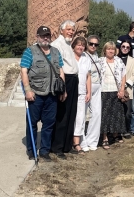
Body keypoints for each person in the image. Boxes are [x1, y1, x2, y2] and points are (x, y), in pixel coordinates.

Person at [20, 25, 65, 162]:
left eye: (48, 36)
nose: (46, 38)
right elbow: (24, 71)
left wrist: (63, 90)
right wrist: (28, 91)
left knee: (49, 124)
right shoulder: (30, 52)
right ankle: (32, 150)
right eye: (43, 35)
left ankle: (44, 150)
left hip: (52, 94)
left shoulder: (56, 52)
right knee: (32, 123)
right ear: (37, 37)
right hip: (36, 93)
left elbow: (61, 71)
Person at [51, 20, 79, 158]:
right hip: (65, 80)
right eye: (68, 29)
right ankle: (57, 147)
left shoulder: (68, 44)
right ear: (61, 30)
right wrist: (62, 88)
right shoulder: (57, 44)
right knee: (62, 114)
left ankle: (67, 145)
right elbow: (57, 68)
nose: (71, 32)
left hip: (73, 79)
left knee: (71, 113)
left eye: (72, 30)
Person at [98, 42, 127, 148]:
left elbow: (124, 75)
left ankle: (115, 134)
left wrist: (122, 89)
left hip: (116, 91)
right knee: (105, 115)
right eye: (108, 49)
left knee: (116, 114)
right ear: (104, 50)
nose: (110, 51)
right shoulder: (100, 61)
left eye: (112, 49)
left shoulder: (119, 61)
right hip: (103, 91)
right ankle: (105, 137)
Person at [71, 36, 92, 153]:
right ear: (74, 45)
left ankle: (76, 143)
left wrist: (89, 92)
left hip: (81, 92)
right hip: (70, 91)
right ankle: (66, 140)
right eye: (79, 44)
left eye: (83, 45)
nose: (81, 47)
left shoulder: (86, 58)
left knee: (80, 118)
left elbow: (88, 77)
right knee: (69, 117)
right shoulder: (69, 56)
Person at [82, 34, 102, 152]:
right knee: (82, 115)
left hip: (97, 86)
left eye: (96, 44)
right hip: (86, 87)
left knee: (96, 114)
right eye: (91, 44)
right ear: (87, 44)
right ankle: (82, 141)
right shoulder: (83, 56)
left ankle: (92, 140)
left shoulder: (97, 56)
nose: (93, 46)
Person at [118, 41, 134, 136]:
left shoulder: (133, 60)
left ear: (130, 49)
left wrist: (125, 84)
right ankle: (117, 131)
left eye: (127, 47)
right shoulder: (116, 58)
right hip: (116, 88)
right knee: (117, 110)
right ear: (120, 47)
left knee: (127, 111)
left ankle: (126, 129)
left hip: (128, 89)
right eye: (123, 46)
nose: (125, 48)